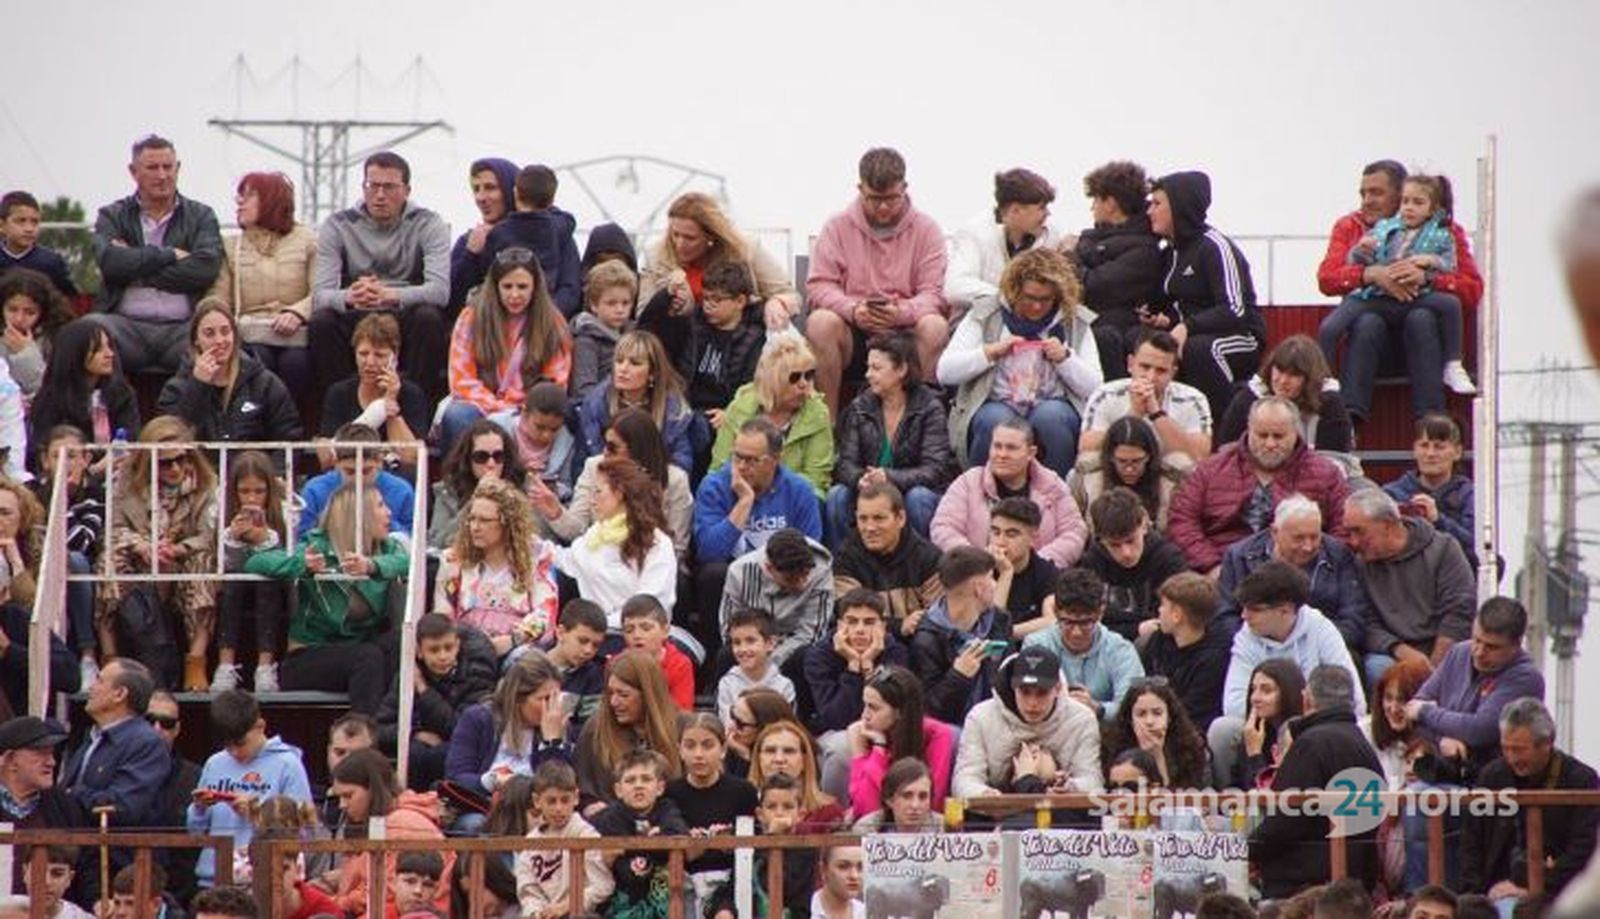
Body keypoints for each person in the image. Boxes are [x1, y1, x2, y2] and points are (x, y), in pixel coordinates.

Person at [1315, 160, 1483, 423]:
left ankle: (1431, 422)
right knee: (1368, 322)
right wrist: (1370, 274)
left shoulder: (1442, 231)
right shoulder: (1350, 227)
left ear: (1399, 194)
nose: (1367, 201)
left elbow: (1471, 289)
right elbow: (1327, 278)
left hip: (1422, 336)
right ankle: (1348, 420)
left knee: (1421, 319)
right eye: (1363, 193)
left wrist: (1426, 278)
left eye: (1376, 193)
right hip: (1369, 338)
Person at [804, 147, 949, 417]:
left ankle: (920, 424)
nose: (883, 207)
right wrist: (853, 310)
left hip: (906, 332)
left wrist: (902, 313)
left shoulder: (927, 230)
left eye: (891, 198)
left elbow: (934, 293)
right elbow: (819, 285)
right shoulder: (836, 227)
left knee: (935, 327)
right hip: (853, 333)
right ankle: (827, 427)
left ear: (904, 188)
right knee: (820, 323)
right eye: (874, 199)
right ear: (860, 189)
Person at [245, 481, 407, 713]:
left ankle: (393, 724)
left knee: (399, 644)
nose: (389, 512)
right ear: (358, 516)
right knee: (368, 657)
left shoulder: (386, 548)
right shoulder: (317, 545)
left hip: (359, 649)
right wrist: (302, 565)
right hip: (309, 655)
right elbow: (257, 561)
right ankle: (362, 730)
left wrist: (371, 565)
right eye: (381, 505)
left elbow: (408, 562)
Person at [941, 246, 1102, 480]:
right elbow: (945, 372)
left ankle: (1055, 493)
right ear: (1015, 291)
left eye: (1045, 300)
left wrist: (1065, 359)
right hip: (996, 403)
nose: (1037, 306)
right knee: (995, 420)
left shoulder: (1075, 320)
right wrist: (989, 353)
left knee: (1051, 417)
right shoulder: (985, 313)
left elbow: (1096, 388)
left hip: (1051, 405)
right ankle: (984, 492)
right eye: (1030, 298)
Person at [309, 151, 450, 398]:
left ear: (406, 191)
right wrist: (349, 296)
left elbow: (440, 291)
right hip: (357, 307)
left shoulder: (428, 223)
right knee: (322, 322)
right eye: (372, 186)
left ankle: (416, 402)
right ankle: (343, 402)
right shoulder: (337, 224)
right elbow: (320, 295)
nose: (380, 195)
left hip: (404, 307)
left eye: (389, 187)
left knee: (429, 318)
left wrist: (390, 295)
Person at [1209, 561, 1364, 785]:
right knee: (1223, 729)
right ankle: (1231, 798)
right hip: (1264, 728)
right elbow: (1233, 704)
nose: (1244, 615)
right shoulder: (1246, 636)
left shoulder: (1321, 629)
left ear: (1285, 610)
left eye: (1254, 609)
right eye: (1243, 607)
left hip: (1313, 727)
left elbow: (1352, 698)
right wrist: (1276, 717)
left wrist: (1292, 719)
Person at [96, 416, 217, 689]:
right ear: (149, 461)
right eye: (165, 462)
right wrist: (141, 545)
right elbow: (112, 530)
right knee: (108, 561)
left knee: (204, 562)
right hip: (139, 559)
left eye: (182, 459)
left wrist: (177, 549)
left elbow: (209, 535)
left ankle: (196, 661)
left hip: (182, 561)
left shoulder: (207, 483)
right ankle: (108, 657)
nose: (175, 468)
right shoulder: (125, 484)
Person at [1167, 396, 1351, 574]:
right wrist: (1211, 566)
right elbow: (1182, 521)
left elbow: (1344, 526)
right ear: (1249, 430)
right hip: (1220, 566)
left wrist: (1317, 567)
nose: (1270, 444)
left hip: (1301, 571)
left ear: (1295, 433)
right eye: (1262, 435)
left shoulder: (1326, 474)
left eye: (1278, 436)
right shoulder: (1210, 469)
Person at [693, 418, 824, 660]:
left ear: (775, 459)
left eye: (752, 460)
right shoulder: (715, 485)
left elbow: (811, 553)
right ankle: (717, 660)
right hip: (736, 584)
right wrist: (745, 502)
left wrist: (779, 574)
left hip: (785, 580)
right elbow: (709, 552)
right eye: (737, 457)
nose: (742, 467)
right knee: (713, 573)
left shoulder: (799, 490)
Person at [91, 135, 222, 376]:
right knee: (85, 332)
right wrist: (168, 255)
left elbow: (205, 269)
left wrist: (135, 270)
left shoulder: (202, 215)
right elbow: (110, 263)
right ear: (133, 171)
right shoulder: (112, 215)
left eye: (168, 167)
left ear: (178, 168)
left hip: (183, 329)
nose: (162, 175)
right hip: (124, 327)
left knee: (220, 346)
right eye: (152, 167)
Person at [1250, 666, 1385, 899]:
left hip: (1304, 890)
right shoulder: (1361, 743)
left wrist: (1245, 850)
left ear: (1307, 699)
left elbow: (1285, 822)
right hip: (1355, 883)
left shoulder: (1311, 744)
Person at [1145, 170, 1264, 420]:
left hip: (1241, 336)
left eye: (1156, 204)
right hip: (1190, 334)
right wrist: (1162, 318)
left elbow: (1234, 309)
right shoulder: (1169, 253)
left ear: (1179, 207)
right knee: (1144, 343)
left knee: (1201, 350)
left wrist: (1186, 327)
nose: (1149, 211)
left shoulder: (1215, 247)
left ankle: (1226, 429)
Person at [1462, 698, 1598, 907]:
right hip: (1493, 892)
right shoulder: (1491, 776)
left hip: (1558, 894)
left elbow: (1583, 849)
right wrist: (1475, 896)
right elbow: (1472, 841)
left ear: (1547, 743)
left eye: (1519, 750)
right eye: (1505, 749)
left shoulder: (1582, 781)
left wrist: (1537, 888)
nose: (1511, 758)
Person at [635, 259, 766, 472]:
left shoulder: (756, 339)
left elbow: (753, 388)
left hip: (727, 416)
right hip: (687, 410)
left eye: (717, 300)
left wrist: (731, 413)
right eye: (705, 298)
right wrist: (666, 295)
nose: (708, 305)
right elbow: (647, 330)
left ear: (740, 301)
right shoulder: (692, 325)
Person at [439, 247, 573, 451]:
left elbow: (556, 383)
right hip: (480, 406)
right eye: (507, 286)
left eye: (522, 287)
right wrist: (499, 408)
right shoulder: (471, 317)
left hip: (529, 411)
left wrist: (523, 409)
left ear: (535, 287)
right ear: (496, 286)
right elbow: (461, 380)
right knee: (456, 415)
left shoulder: (554, 323)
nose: (515, 294)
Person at [828, 330, 953, 540]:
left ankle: (922, 559)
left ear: (902, 369)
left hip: (909, 492)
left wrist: (889, 478)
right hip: (870, 490)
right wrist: (860, 479)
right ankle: (844, 558)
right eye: (868, 367)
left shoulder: (930, 407)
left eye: (876, 368)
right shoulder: (860, 406)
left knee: (919, 498)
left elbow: (935, 469)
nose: (868, 375)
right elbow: (845, 463)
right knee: (837, 495)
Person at [58, 661, 168, 896]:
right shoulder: (92, 738)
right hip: (82, 866)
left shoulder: (146, 743)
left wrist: (71, 795)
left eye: (99, 680)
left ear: (120, 694)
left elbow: (123, 806)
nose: (91, 687)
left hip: (119, 875)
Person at [1344, 487, 1476, 684]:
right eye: (1348, 532)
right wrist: (1401, 651)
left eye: (1359, 531)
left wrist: (1434, 670)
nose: (1353, 542)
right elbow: (1365, 621)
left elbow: (1459, 611)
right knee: (1377, 668)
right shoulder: (1359, 563)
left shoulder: (1444, 549)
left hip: (1444, 648)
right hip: (1393, 652)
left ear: (1388, 525)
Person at [187, 690, 313, 890]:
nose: (234, 752)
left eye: (240, 744)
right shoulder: (215, 763)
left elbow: (304, 830)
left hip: (263, 880)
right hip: (212, 879)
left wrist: (257, 814)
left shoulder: (288, 764)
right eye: (227, 746)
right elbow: (195, 833)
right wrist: (199, 808)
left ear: (260, 726)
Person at [207, 171, 316, 398]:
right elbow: (218, 299)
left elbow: (322, 291)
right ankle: (254, 419)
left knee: (296, 364)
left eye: (248, 196)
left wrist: (298, 313)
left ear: (271, 201)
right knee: (256, 361)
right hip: (250, 333)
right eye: (239, 196)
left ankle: (289, 420)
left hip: (297, 333)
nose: (239, 202)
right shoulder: (230, 246)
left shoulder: (308, 240)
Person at [1217, 493, 1371, 652]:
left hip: (1323, 647)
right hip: (1255, 647)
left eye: (1314, 537)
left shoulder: (1338, 555)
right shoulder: (1239, 557)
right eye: (1298, 538)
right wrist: (1265, 645)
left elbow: (1354, 620)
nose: (1308, 546)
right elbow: (1224, 618)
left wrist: (1306, 643)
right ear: (1275, 532)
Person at [1404, 598, 1547, 770]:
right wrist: (1441, 739)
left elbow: (1480, 730)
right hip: (1441, 768)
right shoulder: (1458, 653)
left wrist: (1426, 712)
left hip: (1489, 777)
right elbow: (1413, 710)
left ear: (1516, 644)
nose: (1479, 652)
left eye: (1492, 647)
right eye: (1476, 640)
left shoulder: (1526, 678)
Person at [533, 408, 692, 561]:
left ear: (637, 449)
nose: (605, 452)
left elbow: (677, 546)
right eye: (604, 444)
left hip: (653, 565)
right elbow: (577, 531)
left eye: (612, 447)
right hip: (599, 563)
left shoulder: (675, 480)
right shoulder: (594, 467)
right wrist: (556, 513)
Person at [931, 417, 1088, 567]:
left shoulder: (1053, 485)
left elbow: (1074, 532)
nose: (1002, 455)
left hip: (1040, 578)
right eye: (997, 446)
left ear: (1031, 453)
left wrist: (1037, 566)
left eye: (1011, 448)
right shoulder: (968, 482)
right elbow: (943, 527)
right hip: (978, 575)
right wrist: (977, 562)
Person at [952, 645, 1103, 797]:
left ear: (1057, 688)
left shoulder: (1081, 719)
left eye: (1042, 693)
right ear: (1013, 687)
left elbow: (1093, 780)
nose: (1032, 703)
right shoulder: (981, 718)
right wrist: (986, 795)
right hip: (994, 808)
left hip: (1063, 807)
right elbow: (965, 778)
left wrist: (1069, 787)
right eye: (1024, 692)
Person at [637, 190, 800, 329]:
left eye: (690, 238)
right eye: (675, 235)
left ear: (710, 236)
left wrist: (778, 303)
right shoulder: (655, 257)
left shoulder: (744, 250)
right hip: (677, 341)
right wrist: (665, 303)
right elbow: (642, 317)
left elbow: (789, 294)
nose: (680, 244)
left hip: (737, 340)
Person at [434, 477, 559, 656]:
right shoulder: (453, 560)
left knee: (523, 659)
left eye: (484, 520)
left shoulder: (537, 557)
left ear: (507, 523)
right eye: (472, 519)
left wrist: (511, 640)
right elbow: (442, 614)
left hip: (517, 647)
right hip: (466, 647)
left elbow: (544, 613)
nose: (475, 527)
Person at [443, 653, 573, 822]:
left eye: (556, 698)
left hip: (536, 814)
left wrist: (552, 743)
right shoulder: (478, 718)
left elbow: (558, 788)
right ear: (518, 698)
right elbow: (455, 778)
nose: (553, 707)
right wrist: (493, 781)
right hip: (484, 809)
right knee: (474, 823)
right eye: (545, 699)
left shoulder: (557, 724)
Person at [376, 613, 498, 790]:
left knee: (441, 754)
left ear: (458, 645)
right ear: (419, 652)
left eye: (448, 648)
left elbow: (463, 727)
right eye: (434, 650)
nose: (443, 656)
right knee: (415, 751)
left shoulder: (476, 672)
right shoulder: (408, 676)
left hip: (464, 749)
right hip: (421, 750)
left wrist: (424, 690)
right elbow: (380, 727)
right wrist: (414, 733)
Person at [551, 457, 677, 628]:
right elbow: (567, 561)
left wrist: (603, 625)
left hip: (639, 635)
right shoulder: (596, 533)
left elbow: (652, 603)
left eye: (598, 491)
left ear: (619, 493)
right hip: (596, 634)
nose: (592, 500)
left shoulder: (658, 543)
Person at [155, 299, 302, 444]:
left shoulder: (265, 384)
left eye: (225, 332)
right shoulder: (175, 389)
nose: (219, 340)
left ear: (235, 335)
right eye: (209, 333)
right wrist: (198, 386)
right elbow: (172, 442)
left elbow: (289, 437)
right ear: (196, 339)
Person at [1069, 161, 1165, 380]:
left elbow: (1093, 286)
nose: (1092, 207)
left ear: (1110, 203)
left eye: (1095, 200)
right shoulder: (1091, 239)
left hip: (1112, 334)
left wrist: (1068, 258)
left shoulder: (1145, 250)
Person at [327, 749, 452, 916]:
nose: (342, 805)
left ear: (373, 790)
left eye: (348, 796)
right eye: (339, 798)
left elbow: (385, 892)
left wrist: (333, 902)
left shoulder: (403, 825)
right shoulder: (384, 822)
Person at [710, 333, 834, 499]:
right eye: (795, 377)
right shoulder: (740, 408)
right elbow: (719, 468)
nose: (804, 384)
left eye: (809, 375)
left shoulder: (818, 414)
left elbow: (817, 480)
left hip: (793, 500)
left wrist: (771, 489)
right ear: (773, 379)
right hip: (740, 493)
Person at [212, 450, 293, 692]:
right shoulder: (218, 512)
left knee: (265, 581)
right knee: (234, 581)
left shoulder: (286, 512)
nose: (252, 499)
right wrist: (234, 538)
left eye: (259, 491)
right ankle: (225, 665)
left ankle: (265, 667)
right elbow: (226, 563)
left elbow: (283, 560)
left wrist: (265, 540)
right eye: (244, 491)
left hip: (273, 582)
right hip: (233, 580)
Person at [1022, 568, 1145, 721]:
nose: (1076, 633)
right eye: (1068, 622)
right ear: (1056, 612)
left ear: (1100, 613)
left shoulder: (1120, 650)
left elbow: (1134, 706)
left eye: (1085, 623)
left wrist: (1098, 708)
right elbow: (1027, 700)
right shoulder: (1036, 645)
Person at [908, 546, 1012, 725]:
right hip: (953, 731)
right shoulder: (926, 640)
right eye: (991, 577)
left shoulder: (999, 621)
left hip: (998, 725)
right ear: (978, 588)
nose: (995, 585)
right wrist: (958, 676)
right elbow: (929, 712)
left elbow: (1011, 678)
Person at [573, 650, 687, 809]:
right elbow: (581, 787)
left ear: (647, 695)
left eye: (623, 695)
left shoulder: (683, 728)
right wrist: (589, 807)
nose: (613, 702)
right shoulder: (596, 728)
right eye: (610, 693)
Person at [944, 167, 1065, 316]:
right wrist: (1011, 297)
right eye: (1041, 208)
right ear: (1015, 210)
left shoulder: (1051, 235)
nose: (1048, 213)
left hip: (1028, 320)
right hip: (976, 320)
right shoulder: (974, 233)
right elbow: (955, 288)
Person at [830, 482, 943, 640]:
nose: (869, 528)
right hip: (865, 643)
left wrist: (914, 625)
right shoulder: (845, 557)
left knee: (926, 639)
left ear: (901, 518)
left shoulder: (929, 558)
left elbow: (939, 617)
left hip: (915, 642)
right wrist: (899, 626)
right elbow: (849, 616)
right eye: (863, 519)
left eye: (879, 518)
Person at [1079, 329, 1213, 462]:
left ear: (1173, 373)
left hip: (1168, 471)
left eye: (1161, 370)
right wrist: (1134, 414)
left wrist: (1156, 414)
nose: (1151, 377)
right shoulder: (1105, 394)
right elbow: (1086, 450)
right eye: (1145, 367)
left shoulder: (1193, 399)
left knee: (1182, 463)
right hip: (1115, 469)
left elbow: (1199, 457)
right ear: (1130, 364)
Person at [665, 713, 758, 905]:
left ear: (723, 749)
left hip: (733, 884)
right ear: (679, 750)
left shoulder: (743, 791)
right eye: (690, 746)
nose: (698, 754)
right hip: (679, 886)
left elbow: (754, 847)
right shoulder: (668, 793)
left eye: (707, 746)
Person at [315, 312, 429, 468]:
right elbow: (326, 458)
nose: (369, 362)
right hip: (349, 471)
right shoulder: (338, 393)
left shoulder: (412, 394)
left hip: (392, 473)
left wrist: (390, 403)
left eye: (379, 355)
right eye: (363, 354)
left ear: (394, 357)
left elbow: (410, 458)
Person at [1078, 488, 1189, 642]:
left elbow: (1175, 619)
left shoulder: (1168, 560)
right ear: (1101, 539)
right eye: (1115, 545)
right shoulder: (1092, 562)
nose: (1126, 553)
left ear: (1144, 525)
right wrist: (1136, 629)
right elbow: (1086, 622)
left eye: (1131, 540)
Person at [845, 664, 956, 816]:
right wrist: (867, 751)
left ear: (899, 712)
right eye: (864, 705)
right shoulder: (868, 734)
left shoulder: (937, 735)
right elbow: (865, 811)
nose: (864, 715)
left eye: (873, 707)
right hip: (877, 827)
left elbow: (930, 804)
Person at [589, 750, 689, 919]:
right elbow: (628, 873)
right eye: (630, 780)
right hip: (621, 901)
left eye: (646, 779)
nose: (638, 785)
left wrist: (632, 849)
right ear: (618, 790)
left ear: (660, 787)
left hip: (662, 900)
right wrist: (655, 843)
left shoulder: (667, 809)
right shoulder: (611, 817)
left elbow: (679, 836)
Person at [577, 329, 693, 473]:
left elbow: (682, 462)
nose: (623, 369)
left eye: (635, 363)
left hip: (656, 482)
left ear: (652, 373)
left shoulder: (673, 413)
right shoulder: (595, 405)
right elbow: (581, 463)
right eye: (619, 361)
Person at [1216, 334, 1355, 455]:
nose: (1283, 381)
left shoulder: (1330, 404)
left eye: (1293, 375)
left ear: (1310, 379)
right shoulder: (1248, 399)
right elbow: (1227, 451)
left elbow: (1337, 459)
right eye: (1279, 370)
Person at [718, 527, 832, 673]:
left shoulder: (821, 570)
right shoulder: (739, 572)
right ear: (769, 568)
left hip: (794, 645)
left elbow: (812, 633)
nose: (803, 584)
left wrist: (772, 662)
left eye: (806, 574)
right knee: (727, 654)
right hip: (753, 643)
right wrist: (756, 652)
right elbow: (730, 628)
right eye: (791, 579)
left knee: (807, 654)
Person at [703, 774, 817, 919]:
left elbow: (778, 885)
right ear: (760, 814)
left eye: (788, 807)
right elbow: (733, 887)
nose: (779, 813)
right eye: (771, 807)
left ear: (801, 814)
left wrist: (773, 838)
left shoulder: (806, 851)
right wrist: (724, 908)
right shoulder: (749, 848)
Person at [514, 760, 614, 918]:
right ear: (537, 801)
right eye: (551, 801)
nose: (558, 808)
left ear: (576, 798)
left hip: (580, 913)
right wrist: (537, 912)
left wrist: (566, 906)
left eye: (565, 800)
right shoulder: (531, 842)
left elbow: (602, 885)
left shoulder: (586, 834)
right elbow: (528, 890)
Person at [804, 589, 911, 737]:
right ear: (840, 625)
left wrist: (868, 666)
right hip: (835, 734)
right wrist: (853, 667)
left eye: (869, 622)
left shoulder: (895, 652)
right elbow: (835, 720)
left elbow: (892, 711)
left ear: (883, 626)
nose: (860, 630)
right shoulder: (819, 656)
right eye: (852, 622)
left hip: (887, 729)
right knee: (842, 744)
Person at [28, 318, 140, 458]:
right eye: (98, 349)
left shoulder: (122, 393)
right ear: (75, 353)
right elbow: (45, 450)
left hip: (114, 466)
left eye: (109, 346)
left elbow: (130, 439)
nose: (109, 354)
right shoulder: (50, 400)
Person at [481, 164, 583, 316]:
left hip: (507, 309)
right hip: (546, 310)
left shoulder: (499, 233)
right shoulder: (559, 228)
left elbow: (485, 271)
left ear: (515, 193)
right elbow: (571, 289)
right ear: (551, 200)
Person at [1383, 412, 1479, 570]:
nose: (1430, 454)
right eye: (1424, 445)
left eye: (1439, 447)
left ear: (1457, 452)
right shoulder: (1391, 494)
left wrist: (1438, 520)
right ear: (1414, 450)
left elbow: (1478, 548)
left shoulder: (1471, 495)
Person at [1140, 572, 1231, 732]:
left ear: (1177, 615)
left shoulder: (1214, 659)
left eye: (1163, 605)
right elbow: (1142, 683)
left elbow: (1194, 711)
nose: (1159, 610)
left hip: (1187, 730)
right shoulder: (1158, 639)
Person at [1071, 414, 1191, 535]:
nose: (1129, 469)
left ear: (1149, 457)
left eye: (1136, 461)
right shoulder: (1087, 479)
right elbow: (1074, 525)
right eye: (1122, 461)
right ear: (1110, 457)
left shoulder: (1171, 481)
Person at [295, 422, 414, 541]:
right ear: (336, 463)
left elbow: (412, 541)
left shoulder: (401, 491)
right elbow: (301, 540)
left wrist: (380, 522)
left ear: (380, 461)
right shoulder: (315, 490)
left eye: (366, 471)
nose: (358, 479)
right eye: (350, 471)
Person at [427, 418, 526, 551]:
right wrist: (476, 499)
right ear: (468, 459)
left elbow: (534, 537)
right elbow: (437, 544)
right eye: (481, 457)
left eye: (498, 456)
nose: (491, 464)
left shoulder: (521, 486)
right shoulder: (448, 491)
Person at [0, 716, 74, 890]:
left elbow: (86, 863)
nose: (51, 762)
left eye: (51, 754)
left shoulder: (63, 805)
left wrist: (95, 899)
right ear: (10, 759)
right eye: (41, 754)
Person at [1102, 678, 1208, 789]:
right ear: (1130, 719)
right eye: (1141, 714)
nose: (1149, 721)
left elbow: (1181, 796)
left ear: (1169, 717)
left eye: (1157, 713)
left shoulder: (1191, 749)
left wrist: (1157, 755)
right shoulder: (1112, 747)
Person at [446, 157, 519, 313]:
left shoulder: (540, 234)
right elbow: (450, 300)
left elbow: (567, 288)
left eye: (490, 187)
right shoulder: (468, 241)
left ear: (512, 190)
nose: (480, 198)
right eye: (476, 189)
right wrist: (470, 254)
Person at [745, 719, 846, 830]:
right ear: (758, 758)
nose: (779, 759)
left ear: (804, 760)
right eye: (770, 751)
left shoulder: (828, 812)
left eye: (789, 751)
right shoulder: (743, 807)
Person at [987, 496, 1061, 636]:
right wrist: (1005, 574)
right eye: (996, 532)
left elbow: (1052, 621)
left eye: (1011, 535)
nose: (1000, 542)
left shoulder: (1047, 573)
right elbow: (989, 627)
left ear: (1033, 537)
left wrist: (1008, 633)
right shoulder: (980, 571)